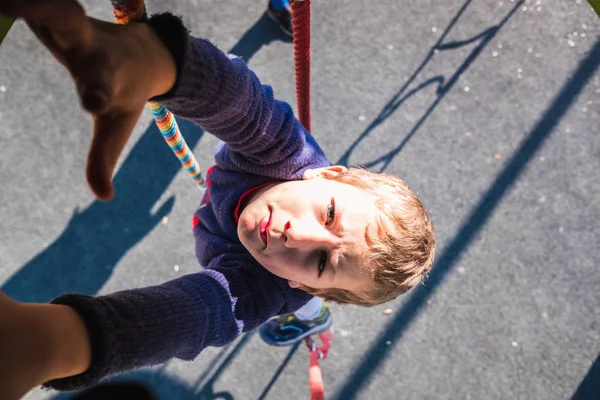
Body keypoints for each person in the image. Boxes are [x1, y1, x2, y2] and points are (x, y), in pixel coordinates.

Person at [0, 1, 436, 399]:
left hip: (292, 289)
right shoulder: (288, 155)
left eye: (320, 261)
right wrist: (156, 62)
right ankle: (322, 302)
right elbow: (240, 103)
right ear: (326, 174)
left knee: (309, 303)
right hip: (254, 219)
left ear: (302, 282)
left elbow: (201, 315)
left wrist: (57, 345)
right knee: (331, 284)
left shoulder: (267, 290)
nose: (297, 234)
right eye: (328, 213)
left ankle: (311, 314)